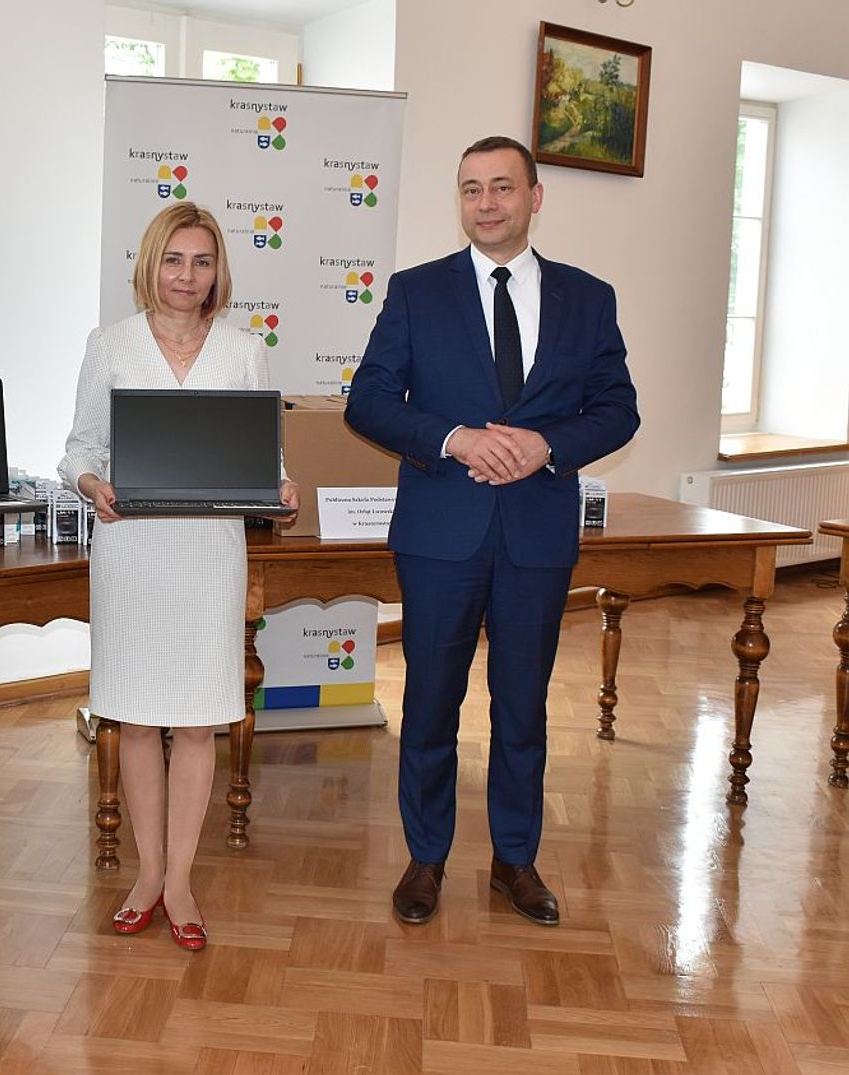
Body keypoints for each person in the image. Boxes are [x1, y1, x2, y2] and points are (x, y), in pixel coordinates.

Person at [345, 136, 640, 927]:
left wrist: (549, 446)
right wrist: (455, 438)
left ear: (534, 197)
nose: (486, 203)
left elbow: (618, 408)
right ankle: (426, 857)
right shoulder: (416, 292)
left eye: (503, 187)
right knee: (430, 704)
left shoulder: (588, 298)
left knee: (523, 708)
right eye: (471, 188)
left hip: (536, 535)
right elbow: (369, 400)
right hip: (440, 534)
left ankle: (515, 859)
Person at [60, 203, 299, 950]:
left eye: (201, 261)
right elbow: (78, 449)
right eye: (173, 259)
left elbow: (265, 460)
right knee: (135, 719)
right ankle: (147, 875)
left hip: (209, 557)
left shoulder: (244, 350)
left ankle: (182, 883)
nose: (186, 275)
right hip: (131, 552)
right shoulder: (109, 344)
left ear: (217, 270)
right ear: (150, 265)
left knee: (197, 721)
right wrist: (91, 483)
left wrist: (283, 489)